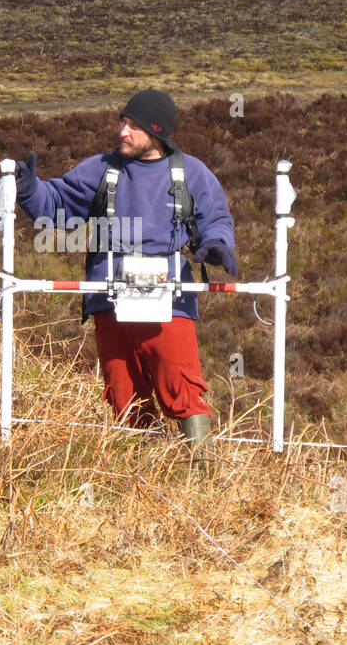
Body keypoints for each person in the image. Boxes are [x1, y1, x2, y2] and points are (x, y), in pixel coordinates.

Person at [13, 89, 236, 449]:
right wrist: (27, 190)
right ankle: (141, 480)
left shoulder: (191, 173)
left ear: (157, 132)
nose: (122, 132)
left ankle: (204, 476)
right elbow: (53, 205)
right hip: (107, 298)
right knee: (124, 396)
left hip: (169, 297)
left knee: (182, 385)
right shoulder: (101, 169)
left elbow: (216, 218)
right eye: (123, 122)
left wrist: (216, 246)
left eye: (133, 126)